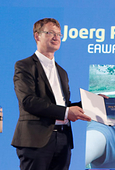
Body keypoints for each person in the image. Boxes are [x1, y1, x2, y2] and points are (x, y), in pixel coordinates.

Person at [12, 18, 91, 170]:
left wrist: (93, 103)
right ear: (37, 36)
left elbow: (63, 106)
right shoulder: (24, 66)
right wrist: (67, 112)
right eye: (50, 33)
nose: (56, 37)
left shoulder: (62, 72)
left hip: (63, 139)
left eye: (59, 34)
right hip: (35, 140)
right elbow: (28, 101)